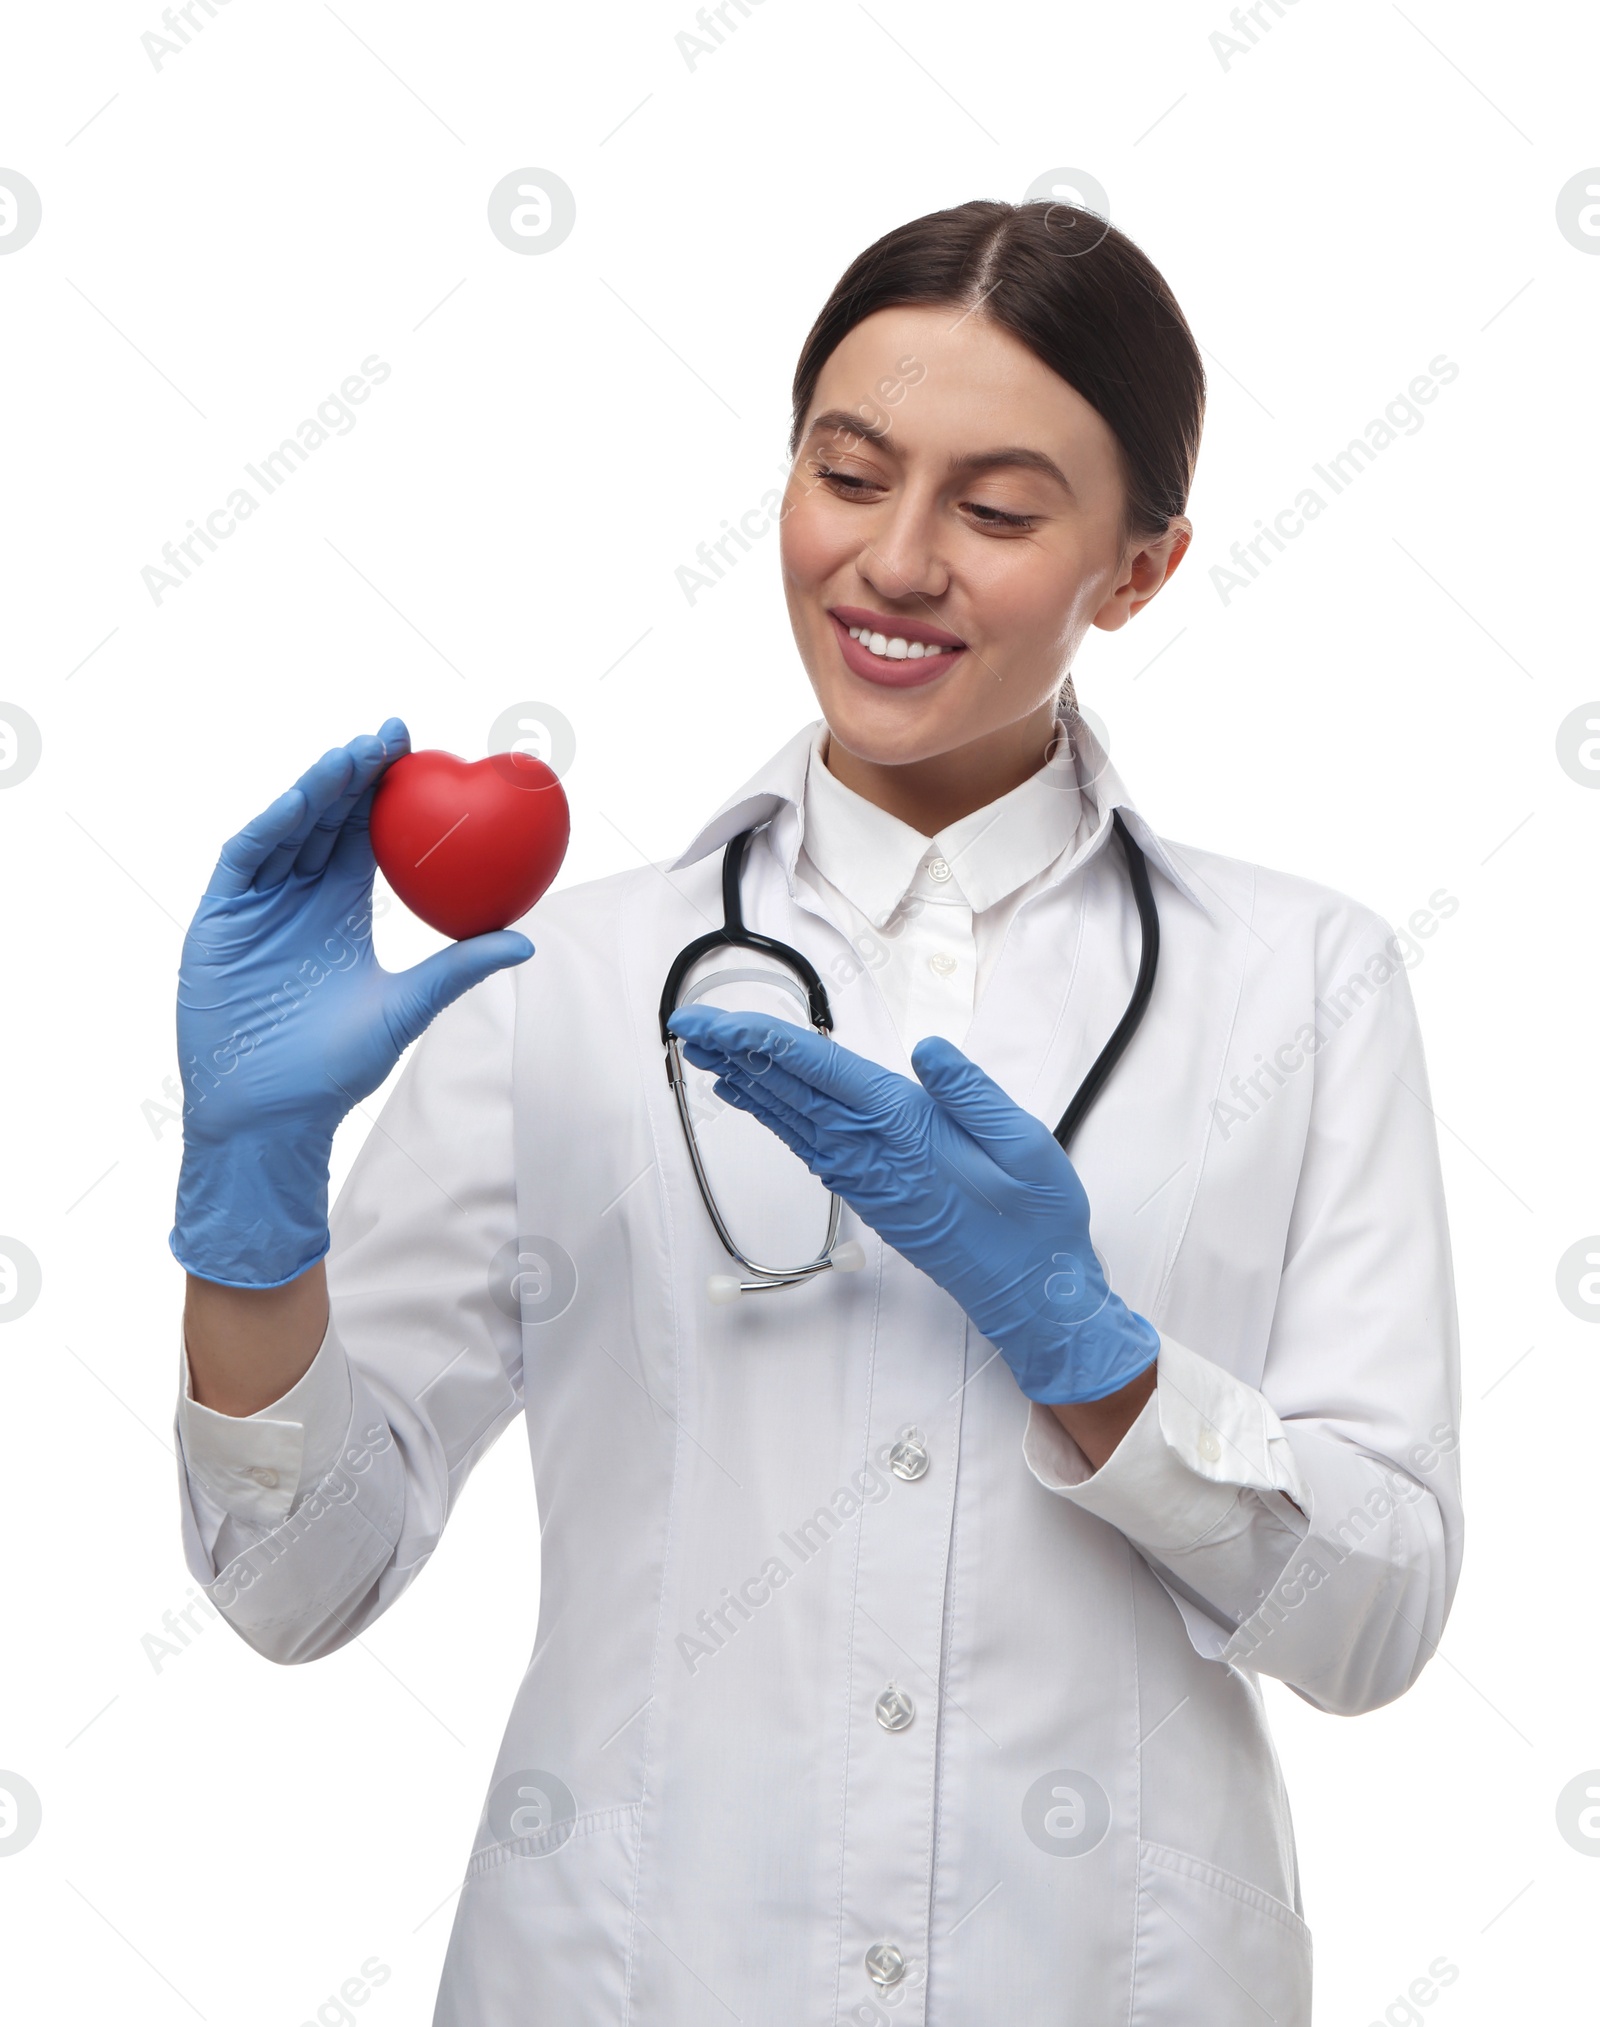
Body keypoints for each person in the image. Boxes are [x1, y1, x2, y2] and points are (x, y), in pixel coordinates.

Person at [169, 200, 1461, 2026]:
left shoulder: (1301, 983)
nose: (898, 563)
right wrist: (249, 1214)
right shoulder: (562, 979)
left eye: (1000, 513)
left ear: (1143, 567)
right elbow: (299, 1583)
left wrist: (1092, 1355)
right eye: (849, 475)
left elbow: (1381, 1619)